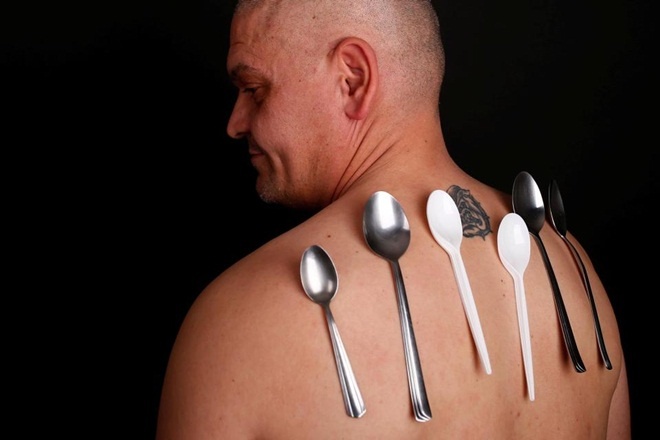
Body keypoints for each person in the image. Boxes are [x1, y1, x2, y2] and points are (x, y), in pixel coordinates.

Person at [156, 0, 630, 438]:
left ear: (353, 79)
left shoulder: (241, 320)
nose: (235, 123)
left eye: (254, 89)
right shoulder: (572, 265)